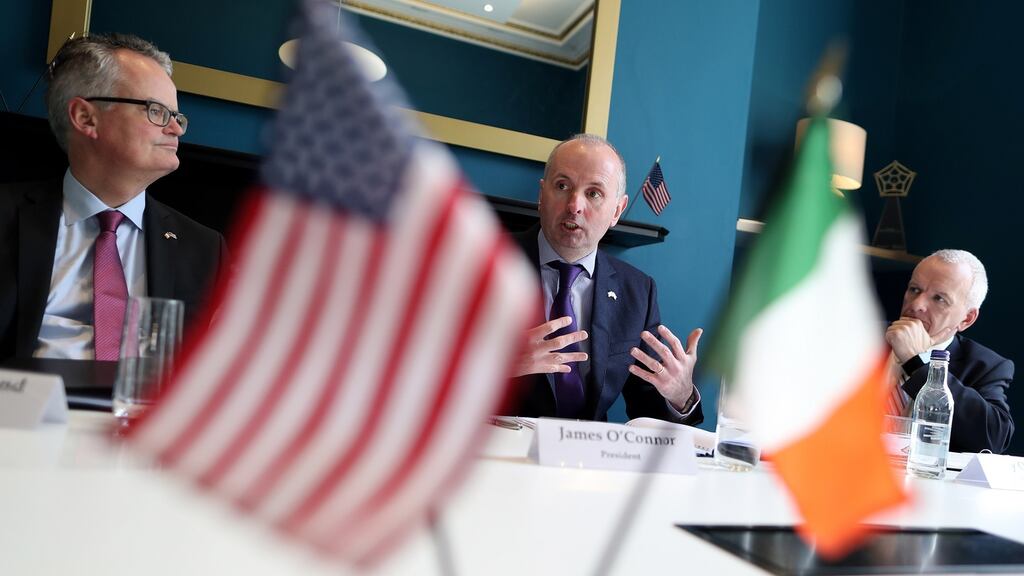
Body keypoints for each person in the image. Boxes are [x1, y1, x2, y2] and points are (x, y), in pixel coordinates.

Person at [0, 34, 227, 361]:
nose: (175, 129)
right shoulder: (5, 215)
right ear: (86, 118)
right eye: (156, 111)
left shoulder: (204, 250)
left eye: (177, 117)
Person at [510, 134, 703, 424]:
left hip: (590, 461)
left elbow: (648, 410)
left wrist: (680, 394)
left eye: (594, 193)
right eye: (563, 186)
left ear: (616, 211)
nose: (574, 205)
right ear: (542, 195)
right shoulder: (481, 262)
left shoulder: (638, 291)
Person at [885, 249, 1014, 453]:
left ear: (966, 319)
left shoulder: (985, 366)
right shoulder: (860, 337)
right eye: (914, 290)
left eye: (939, 299)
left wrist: (917, 363)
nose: (917, 305)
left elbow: (994, 438)